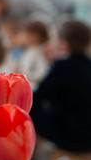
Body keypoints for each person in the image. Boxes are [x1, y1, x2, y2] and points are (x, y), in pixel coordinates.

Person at [30, 20, 91, 152]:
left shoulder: (63, 66)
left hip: (74, 138)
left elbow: (37, 97)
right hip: (87, 136)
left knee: (26, 108)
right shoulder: (87, 64)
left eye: (54, 38)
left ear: (64, 44)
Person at [17, 20, 50, 89]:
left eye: (24, 34)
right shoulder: (27, 51)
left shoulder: (40, 53)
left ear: (34, 36)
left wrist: (23, 75)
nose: (21, 36)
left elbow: (42, 74)